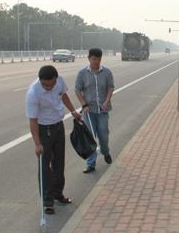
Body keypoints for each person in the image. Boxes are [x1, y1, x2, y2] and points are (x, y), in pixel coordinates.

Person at [26, 65, 82, 214]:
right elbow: (33, 120)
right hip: (43, 129)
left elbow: (63, 96)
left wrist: (73, 111)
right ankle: (47, 202)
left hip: (58, 126)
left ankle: (58, 194)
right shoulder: (33, 93)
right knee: (45, 167)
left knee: (59, 163)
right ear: (40, 81)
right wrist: (37, 144)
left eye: (51, 85)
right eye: (45, 85)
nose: (49, 88)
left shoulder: (60, 81)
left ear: (56, 79)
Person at [75, 48, 115, 173]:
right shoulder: (82, 73)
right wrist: (83, 104)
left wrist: (106, 101)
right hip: (89, 111)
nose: (96, 62)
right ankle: (91, 164)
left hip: (103, 110)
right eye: (94, 59)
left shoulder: (107, 72)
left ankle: (105, 151)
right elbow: (77, 90)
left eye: (98, 59)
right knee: (90, 137)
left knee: (103, 134)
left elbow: (111, 87)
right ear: (89, 58)